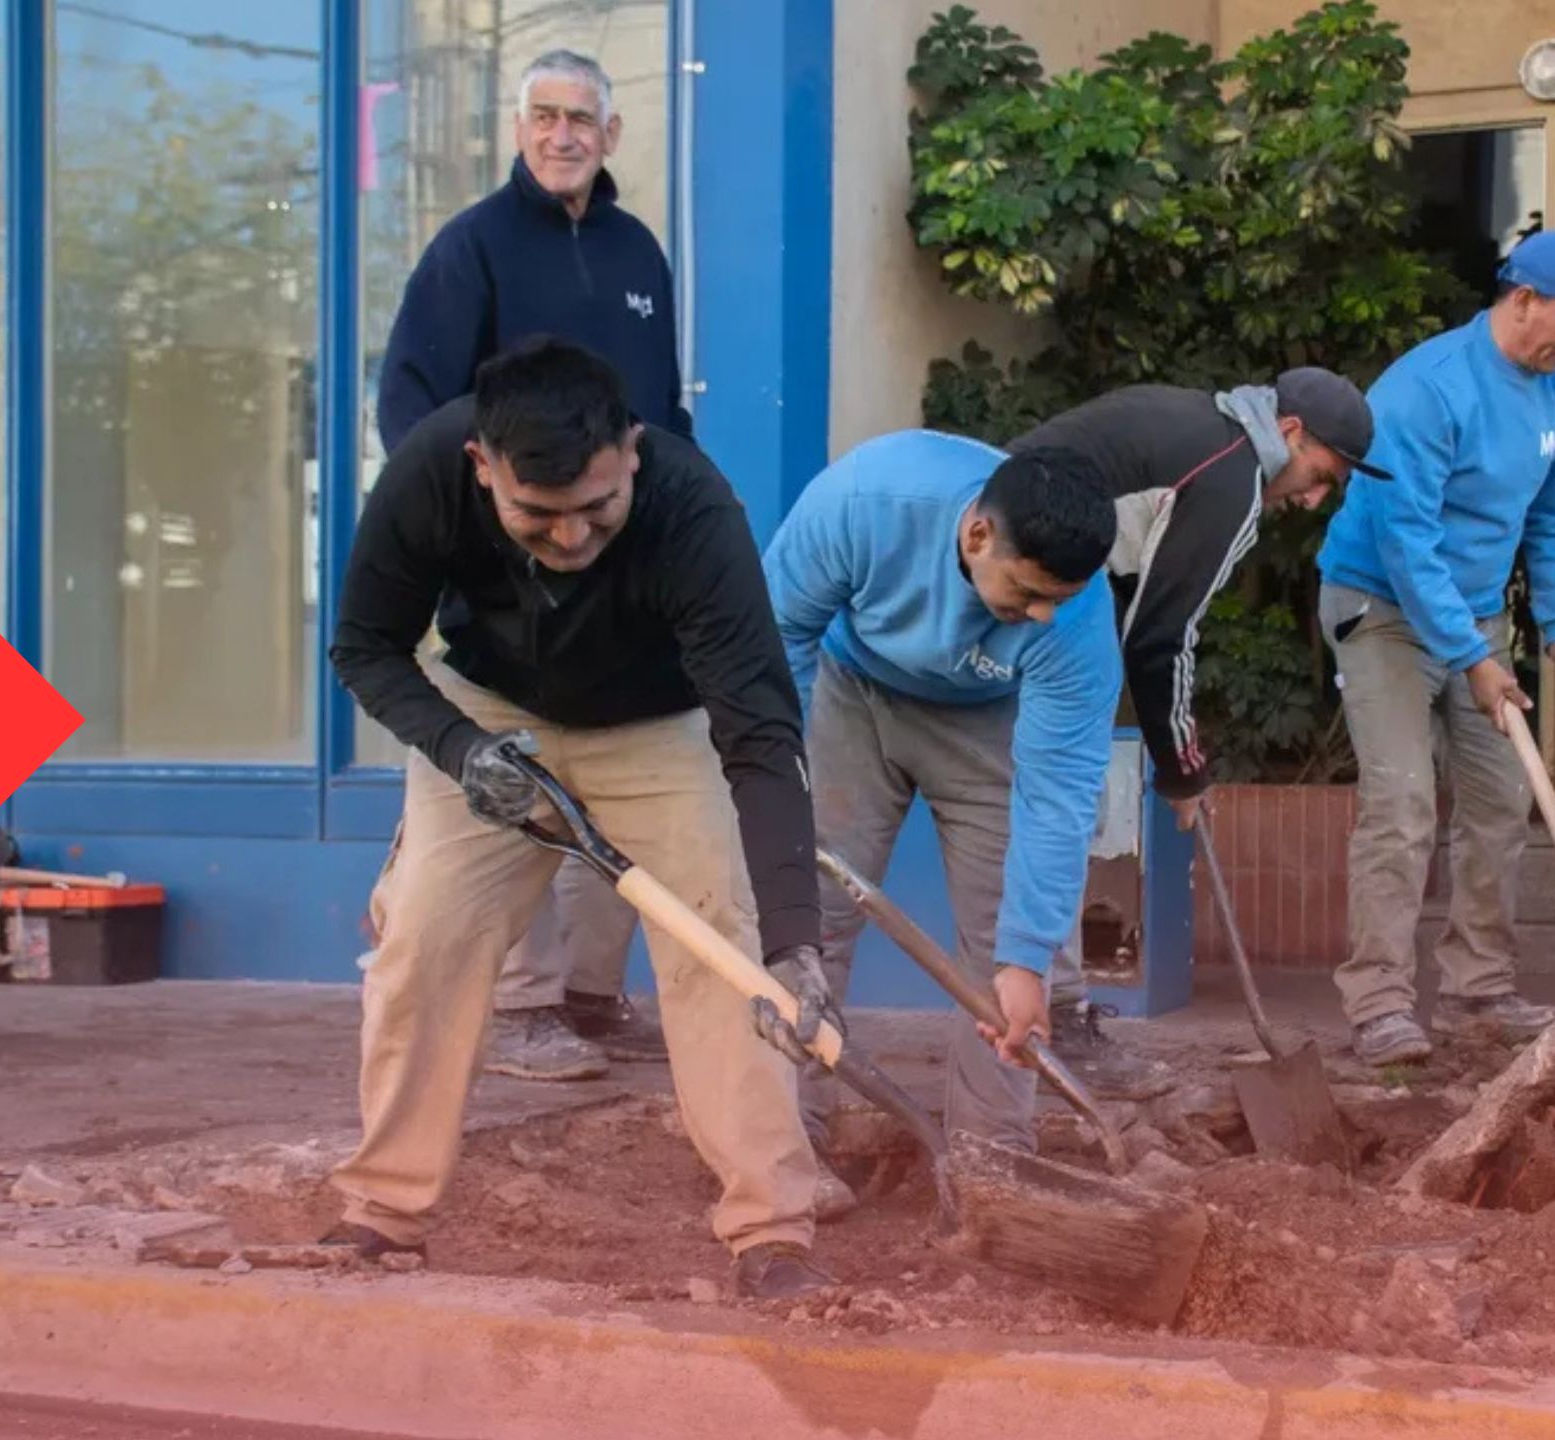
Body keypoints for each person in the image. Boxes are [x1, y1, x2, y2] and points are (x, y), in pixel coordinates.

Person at [326, 337, 837, 1299]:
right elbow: (364, 647)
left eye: (598, 508)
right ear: (482, 468)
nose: (571, 539)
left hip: (656, 721)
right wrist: (458, 749)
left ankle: (773, 1231)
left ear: (634, 452)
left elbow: (762, 731)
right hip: (483, 717)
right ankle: (384, 1214)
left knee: (723, 940)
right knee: (427, 938)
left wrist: (796, 939)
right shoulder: (427, 475)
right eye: (539, 515)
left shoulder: (694, 511)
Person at [375, 49, 688, 1082]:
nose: (562, 135)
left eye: (581, 120)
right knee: (512, 768)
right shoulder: (472, 247)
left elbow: (662, 418)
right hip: (509, 563)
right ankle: (518, 1005)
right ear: (519, 129)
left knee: (620, 758)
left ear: (612, 135)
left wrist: (682, 524)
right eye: (544, 117)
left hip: (624, 562)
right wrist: (477, 530)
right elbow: (412, 406)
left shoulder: (640, 251)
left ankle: (589, 998)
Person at [1002, 368, 1387, 1097]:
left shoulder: (1196, 427)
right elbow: (1160, 639)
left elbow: (1128, 582)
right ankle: (1055, 1018)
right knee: (1059, 799)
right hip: (1029, 579)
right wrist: (1182, 771)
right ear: (1292, 434)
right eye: (1321, 474)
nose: (1315, 497)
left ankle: (1047, 1009)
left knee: (1035, 802)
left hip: (1009, 556)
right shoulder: (1230, 475)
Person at [765, 431, 1122, 1182]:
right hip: (850, 692)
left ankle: (991, 1161)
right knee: (807, 912)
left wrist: (1028, 960)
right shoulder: (865, 502)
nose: (1042, 616)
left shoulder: (1078, 625)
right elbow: (774, 645)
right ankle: (782, 1136)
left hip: (987, 719)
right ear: (977, 533)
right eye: (1026, 593)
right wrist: (780, 779)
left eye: (1058, 600)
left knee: (1005, 952)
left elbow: (1058, 796)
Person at [1314, 230, 1555, 1066]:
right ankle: (1379, 1002)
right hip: (1378, 607)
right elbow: (1405, 538)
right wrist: (1472, 657)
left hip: (1476, 612)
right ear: (1522, 298)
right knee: (1404, 800)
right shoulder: (1425, 392)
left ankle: (1476, 993)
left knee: (1498, 797)